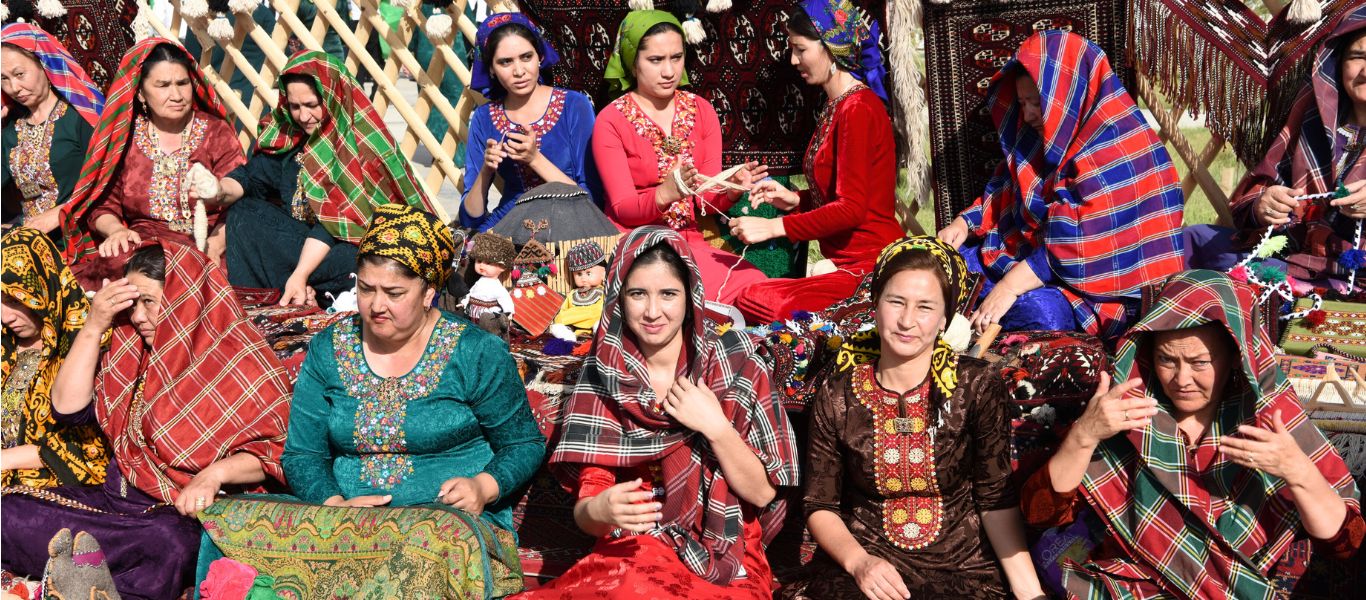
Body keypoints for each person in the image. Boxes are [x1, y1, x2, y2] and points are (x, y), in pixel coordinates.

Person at [197, 203, 544, 597]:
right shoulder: (330, 347)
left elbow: (523, 443)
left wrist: (485, 486)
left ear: (429, 291)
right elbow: (302, 454)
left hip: (443, 524)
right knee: (229, 524)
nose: (376, 305)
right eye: (365, 288)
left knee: (429, 544)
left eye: (394, 293)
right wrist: (332, 505)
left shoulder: (476, 352)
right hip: (344, 523)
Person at [1021, 269, 1363, 598]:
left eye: (1200, 363)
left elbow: (1345, 541)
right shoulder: (1124, 415)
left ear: (1235, 356)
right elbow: (1041, 514)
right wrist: (1084, 435)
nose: (1182, 380)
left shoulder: (1272, 418)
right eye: (1167, 360)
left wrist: (1298, 471)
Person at [514, 226, 800, 599]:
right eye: (637, 294)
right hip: (633, 550)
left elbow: (762, 494)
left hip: (724, 556)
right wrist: (602, 509)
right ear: (618, 297)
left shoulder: (735, 365)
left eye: (668, 294)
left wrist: (716, 427)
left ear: (690, 296)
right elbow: (589, 511)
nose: (652, 312)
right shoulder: (604, 372)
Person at [0, 241, 292, 599]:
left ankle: (90, 582)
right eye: (132, 305)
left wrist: (213, 475)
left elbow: (273, 451)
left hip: (172, 515)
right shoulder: (129, 350)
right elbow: (66, 407)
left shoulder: (244, 363)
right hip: (111, 505)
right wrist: (94, 325)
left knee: (171, 545)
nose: (138, 317)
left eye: (149, 303)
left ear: (186, 299)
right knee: (8, 511)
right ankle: (90, 579)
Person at [780, 236, 1043, 599]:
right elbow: (819, 503)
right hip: (870, 563)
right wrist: (859, 563)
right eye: (896, 301)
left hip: (963, 569)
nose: (906, 321)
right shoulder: (839, 392)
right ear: (875, 305)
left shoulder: (975, 386)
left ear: (944, 319)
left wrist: (1031, 593)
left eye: (924, 307)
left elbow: (995, 496)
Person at [936, 31, 1185, 340]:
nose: (1027, 115)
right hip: (1023, 257)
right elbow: (1004, 187)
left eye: (1037, 103)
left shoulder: (1125, 151)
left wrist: (1010, 287)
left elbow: (1084, 243)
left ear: (1069, 94)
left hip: (1098, 290)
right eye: (1022, 102)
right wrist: (965, 222)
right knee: (934, 269)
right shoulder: (1039, 136)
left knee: (1041, 316)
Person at [728, 0, 903, 324]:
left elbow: (851, 209)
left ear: (831, 46)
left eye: (801, 49)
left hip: (871, 265)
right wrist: (796, 200)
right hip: (847, 264)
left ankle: (868, 306)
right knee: (749, 297)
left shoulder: (858, 109)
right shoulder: (838, 106)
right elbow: (842, 194)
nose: (793, 60)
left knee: (763, 303)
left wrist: (772, 227)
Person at [220, 50, 431, 306]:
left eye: (311, 105)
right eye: (295, 106)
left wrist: (301, 273)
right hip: (304, 249)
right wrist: (217, 190)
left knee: (360, 265)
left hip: (352, 248)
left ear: (333, 96)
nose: (303, 116)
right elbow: (252, 178)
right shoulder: (291, 137)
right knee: (243, 212)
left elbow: (342, 219)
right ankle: (285, 294)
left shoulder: (362, 145)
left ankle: (296, 288)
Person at [591, 10, 769, 306]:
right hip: (640, 243)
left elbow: (706, 199)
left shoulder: (701, 111)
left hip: (690, 240)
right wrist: (665, 194)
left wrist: (733, 188)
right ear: (632, 62)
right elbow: (622, 208)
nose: (669, 71)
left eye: (676, 57)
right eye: (656, 60)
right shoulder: (611, 121)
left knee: (754, 286)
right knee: (684, 298)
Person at [1197, 6, 1366, 295]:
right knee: (1196, 240)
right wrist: (1264, 204)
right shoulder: (1312, 115)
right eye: (1358, 56)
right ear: (1337, 63)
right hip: (1297, 255)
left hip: (1357, 270)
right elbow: (1258, 189)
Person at [59, 38, 246, 291]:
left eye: (182, 83)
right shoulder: (127, 137)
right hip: (142, 244)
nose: (177, 95)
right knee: (120, 267)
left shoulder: (215, 132)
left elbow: (243, 197)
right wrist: (116, 231)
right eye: (163, 85)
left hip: (204, 240)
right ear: (140, 92)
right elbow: (102, 204)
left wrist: (217, 242)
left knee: (194, 274)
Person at [461, 12, 598, 232]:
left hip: (572, 228)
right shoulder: (484, 118)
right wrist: (486, 171)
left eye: (526, 57)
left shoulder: (574, 106)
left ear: (540, 57)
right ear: (491, 70)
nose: (519, 71)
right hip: (510, 227)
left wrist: (534, 158)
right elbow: (470, 218)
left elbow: (591, 201)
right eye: (505, 62)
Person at [1, 228, 110, 489]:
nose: (6, 317)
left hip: (49, 485)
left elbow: (91, 449)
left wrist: (6, 459)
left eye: (14, 300)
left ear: (42, 285)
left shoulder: (87, 344)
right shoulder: (5, 345)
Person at [1, 23, 104, 233]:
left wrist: (62, 212)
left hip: (78, 233)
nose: (13, 88)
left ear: (44, 65)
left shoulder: (80, 118)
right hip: (29, 234)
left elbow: (109, 185)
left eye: (19, 74)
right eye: (3, 79)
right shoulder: (11, 128)